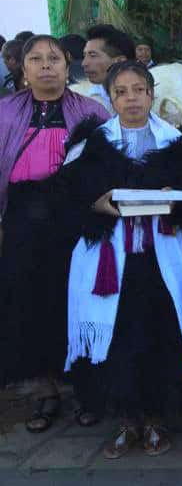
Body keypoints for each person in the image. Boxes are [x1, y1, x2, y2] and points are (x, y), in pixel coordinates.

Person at [63, 60, 182, 458]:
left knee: (159, 335)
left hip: (159, 257)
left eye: (138, 90)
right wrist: (98, 204)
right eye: (121, 92)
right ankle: (126, 420)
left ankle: (157, 419)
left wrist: (171, 199)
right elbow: (71, 197)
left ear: (151, 93)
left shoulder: (176, 142)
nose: (130, 99)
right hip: (110, 260)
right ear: (109, 98)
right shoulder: (91, 144)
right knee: (120, 339)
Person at [0, 35, 109, 432]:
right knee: (29, 304)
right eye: (36, 59)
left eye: (54, 59)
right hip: (23, 219)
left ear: (68, 66)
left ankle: (87, 388)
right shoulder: (5, 112)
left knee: (77, 301)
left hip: (74, 217)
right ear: (22, 68)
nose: (46, 65)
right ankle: (45, 392)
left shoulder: (93, 110)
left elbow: (105, 167)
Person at [71, 24, 134, 113]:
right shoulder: (85, 102)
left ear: (120, 61)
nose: (84, 63)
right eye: (84, 56)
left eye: (93, 55)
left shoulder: (150, 99)